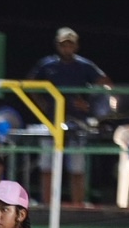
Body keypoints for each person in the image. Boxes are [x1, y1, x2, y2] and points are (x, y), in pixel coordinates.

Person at [27, 27, 112, 206]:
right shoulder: (47, 65)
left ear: (76, 46)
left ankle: (77, 204)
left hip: (77, 123)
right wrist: (40, 103)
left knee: (77, 166)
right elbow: (29, 84)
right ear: (57, 45)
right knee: (47, 165)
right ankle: (47, 204)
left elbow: (106, 84)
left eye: (70, 44)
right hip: (51, 121)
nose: (67, 48)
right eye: (64, 44)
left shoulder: (85, 65)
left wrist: (90, 103)